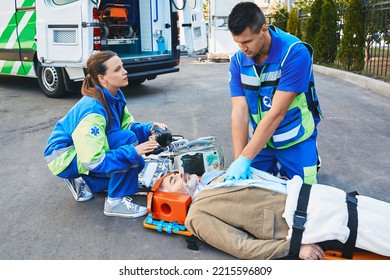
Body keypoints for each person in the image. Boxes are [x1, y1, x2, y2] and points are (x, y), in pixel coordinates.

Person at [155, 169, 390, 260]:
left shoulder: (211, 179)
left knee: (375, 210)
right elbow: (240, 246)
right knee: (378, 231)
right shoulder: (196, 215)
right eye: (173, 180)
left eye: (175, 172)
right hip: (305, 218)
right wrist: (296, 248)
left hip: (314, 195)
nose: (179, 173)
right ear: (172, 199)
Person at [43, 51, 168, 218]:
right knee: (130, 149)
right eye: (117, 69)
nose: (124, 71)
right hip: (63, 157)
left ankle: (85, 182)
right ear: (102, 78)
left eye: (122, 67)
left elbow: (127, 125)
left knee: (131, 156)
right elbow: (94, 161)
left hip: (78, 150)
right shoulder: (93, 111)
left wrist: (149, 128)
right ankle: (114, 202)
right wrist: (134, 152)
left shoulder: (114, 95)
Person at [224, 2, 322, 184]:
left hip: (296, 139)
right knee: (250, 191)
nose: (242, 48)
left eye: (246, 41)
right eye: (238, 42)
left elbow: (277, 112)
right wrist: (239, 160)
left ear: (263, 30)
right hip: (262, 142)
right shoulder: (238, 61)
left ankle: (310, 159)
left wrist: (246, 158)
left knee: (306, 196)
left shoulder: (295, 53)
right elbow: (239, 111)